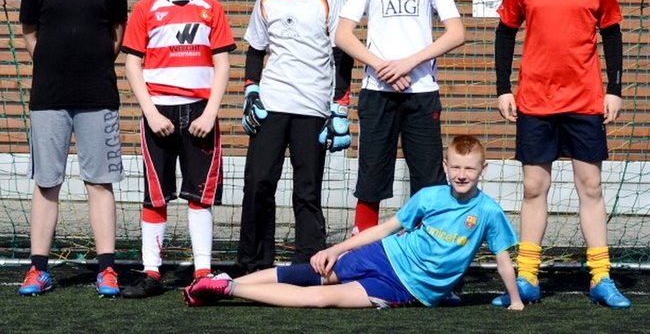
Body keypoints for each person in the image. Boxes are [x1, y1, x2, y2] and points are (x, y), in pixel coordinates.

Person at [184, 135, 524, 310]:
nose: (462, 174)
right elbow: (385, 228)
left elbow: (503, 260)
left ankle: (229, 289)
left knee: (321, 299)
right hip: (384, 255)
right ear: (446, 167)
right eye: (456, 167)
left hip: (402, 288)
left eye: (470, 168)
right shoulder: (429, 196)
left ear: (483, 170)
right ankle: (220, 282)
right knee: (311, 274)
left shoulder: (489, 212)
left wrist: (516, 300)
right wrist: (336, 249)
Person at [492, 0, 630, 309]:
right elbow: (504, 32)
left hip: (585, 100)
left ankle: (601, 277)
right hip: (535, 101)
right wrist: (503, 88)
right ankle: (527, 278)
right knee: (534, 188)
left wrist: (614, 89)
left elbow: (612, 34)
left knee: (591, 186)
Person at [335, 0, 465, 235]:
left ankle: (427, 248)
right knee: (371, 177)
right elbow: (343, 34)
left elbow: (456, 33)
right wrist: (381, 66)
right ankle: (363, 249)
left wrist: (409, 63)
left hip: (421, 91)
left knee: (429, 178)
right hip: (377, 92)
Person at [18, 0, 127, 297]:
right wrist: (53, 65)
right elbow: (30, 34)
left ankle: (107, 269)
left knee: (100, 182)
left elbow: (117, 33)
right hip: (49, 98)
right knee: (47, 182)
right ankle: (38, 269)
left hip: (99, 96)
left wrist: (91, 65)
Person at [120, 0, 236, 298]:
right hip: (160, 113)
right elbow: (132, 65)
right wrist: (150, 112)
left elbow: (223, 64)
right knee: (155, 195)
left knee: (200, 195)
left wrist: (211, 112)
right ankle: (151, 272)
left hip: (200, 113)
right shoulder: (145, 9)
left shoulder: (211, 9)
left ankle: (202, 272)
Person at [236, 0, 353, 273]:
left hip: (312, 108)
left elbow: (342, 55)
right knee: (258, 184)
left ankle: (308, 265)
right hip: (271, 106)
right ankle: (254, 265)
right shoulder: (266, 0)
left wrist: (340, 106)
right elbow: (255, 51)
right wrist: (251, 91)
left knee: (307, 190)